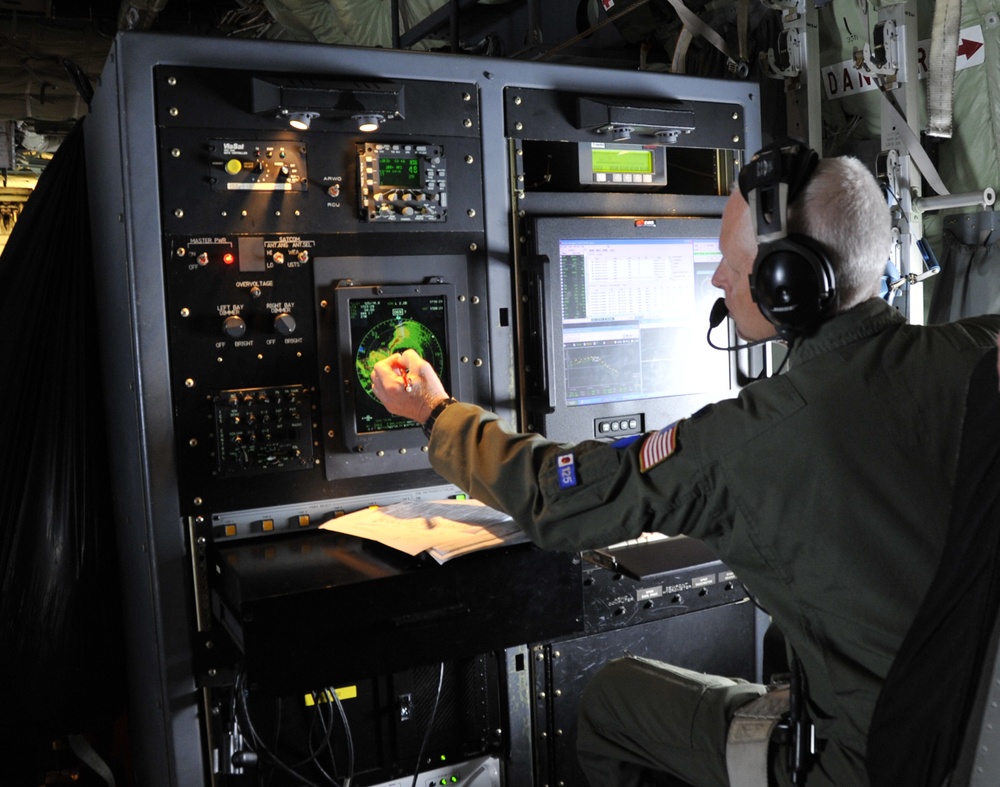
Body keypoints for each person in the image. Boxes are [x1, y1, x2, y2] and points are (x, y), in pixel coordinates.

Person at [370, 143, 1000, 786]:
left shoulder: (747, 441)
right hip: (972, 752)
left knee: (615, 699)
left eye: (733, 263)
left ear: (790, 282)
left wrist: (435, 411)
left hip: (867, 767)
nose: (720, 281)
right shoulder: (983, 354)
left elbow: (557, 501)